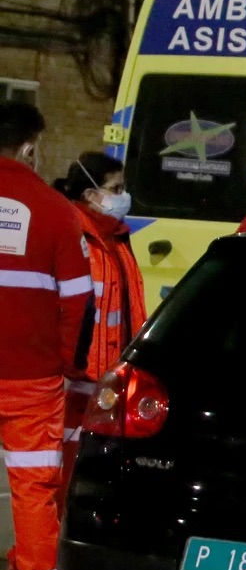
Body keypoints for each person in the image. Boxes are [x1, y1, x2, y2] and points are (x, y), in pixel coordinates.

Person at [0, 102, 90, 570]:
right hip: (32, 378)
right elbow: (77, 301)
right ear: (30, 146)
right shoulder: (56, 212)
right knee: (34, 491)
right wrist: (65, 363)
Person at [52, 153, 149, 487]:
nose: (122, 195)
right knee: (69, 473)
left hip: (108, 378)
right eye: (115, 188)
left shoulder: (116, 238)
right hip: (77, 382)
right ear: (91, 194)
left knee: (98, 472)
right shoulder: (76, 236)